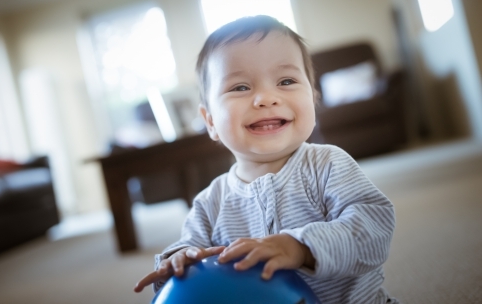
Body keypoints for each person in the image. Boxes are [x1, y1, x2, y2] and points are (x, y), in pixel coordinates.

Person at [134, 15, 397, 303]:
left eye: (286, 81)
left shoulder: (328, 165)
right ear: (210, 121)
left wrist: (300, 248)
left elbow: (374, 229)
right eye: (240, 87)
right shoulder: (210, 203)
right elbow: (189, 256)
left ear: (313, 98)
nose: (266, 98)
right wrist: (178, 261)